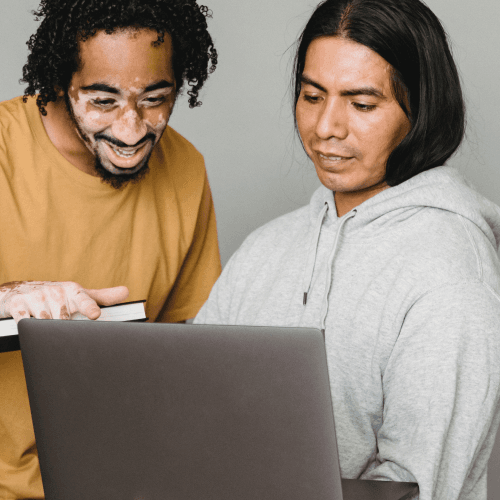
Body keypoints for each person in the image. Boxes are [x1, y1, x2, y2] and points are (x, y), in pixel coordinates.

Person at [195, 0, 500, 498]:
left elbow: (416, 486)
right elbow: (189, 411)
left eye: (361, 104)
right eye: (313, 96)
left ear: (419, 110)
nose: (326, 128)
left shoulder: (453, 273)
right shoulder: (265, 248)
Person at [0, 0, 221, 497]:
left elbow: (182, 361)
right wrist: (9, 298)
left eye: (155, 98)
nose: (132, 129)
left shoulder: (186, 169)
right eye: (102, 101)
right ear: (60, 82)